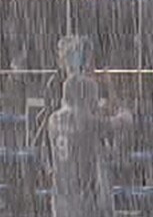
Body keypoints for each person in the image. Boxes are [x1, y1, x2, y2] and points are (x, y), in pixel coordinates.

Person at [46, 73, 133, 217]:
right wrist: (119, 105)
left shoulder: (53, 120)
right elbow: (123, 122)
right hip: (82, 196)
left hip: (60, 195)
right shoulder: (86, 122)